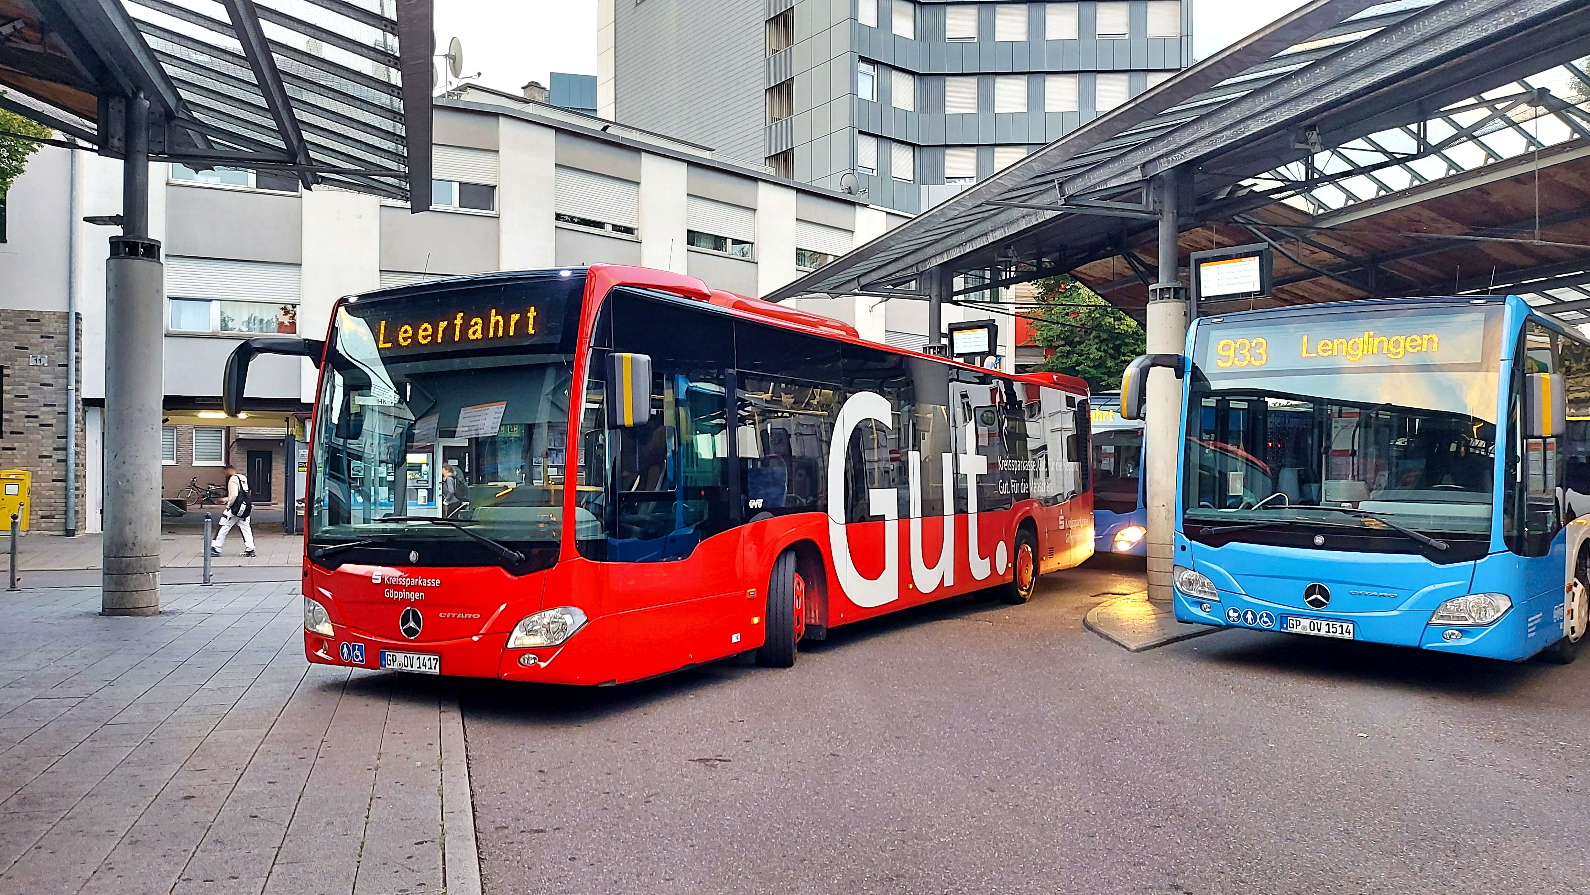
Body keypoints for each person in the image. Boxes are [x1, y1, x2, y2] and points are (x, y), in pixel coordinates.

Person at [211, 465, 256, 557]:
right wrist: (224, 499)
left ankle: (216, 547)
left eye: (224, 472)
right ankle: (250, 549)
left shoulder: (233, 480)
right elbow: (244, 493)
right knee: (246, 528)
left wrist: (228, 505)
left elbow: (234, 495)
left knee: (224, 526)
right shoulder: (243, 478)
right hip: (245, 508)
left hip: (235, 509)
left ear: (228, 470)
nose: (224, 474)